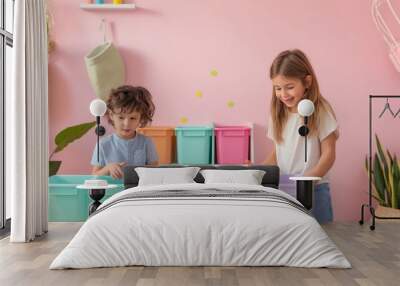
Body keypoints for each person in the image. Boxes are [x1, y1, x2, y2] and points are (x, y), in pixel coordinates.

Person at [264, 49, 339, 223]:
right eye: (278, 88)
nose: (283, 94)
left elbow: (329, 153)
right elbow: (277, 152)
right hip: (284, 189)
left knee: (321, 237)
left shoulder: (321, 110)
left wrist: (309, 180)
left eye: (289, 87)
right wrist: (257, 171)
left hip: (315, 189)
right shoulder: (278, 113)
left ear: (307, 81)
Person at [91, 85, 159, 179]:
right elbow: (94, 175)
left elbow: (155, 169)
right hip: (113, 192)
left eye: (133, 118)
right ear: (111, 115)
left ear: (140, 118)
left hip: (138, 191)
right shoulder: (103, 144)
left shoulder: (147, 142)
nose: (127, 124)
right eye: (121, 117)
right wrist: (108, 168)